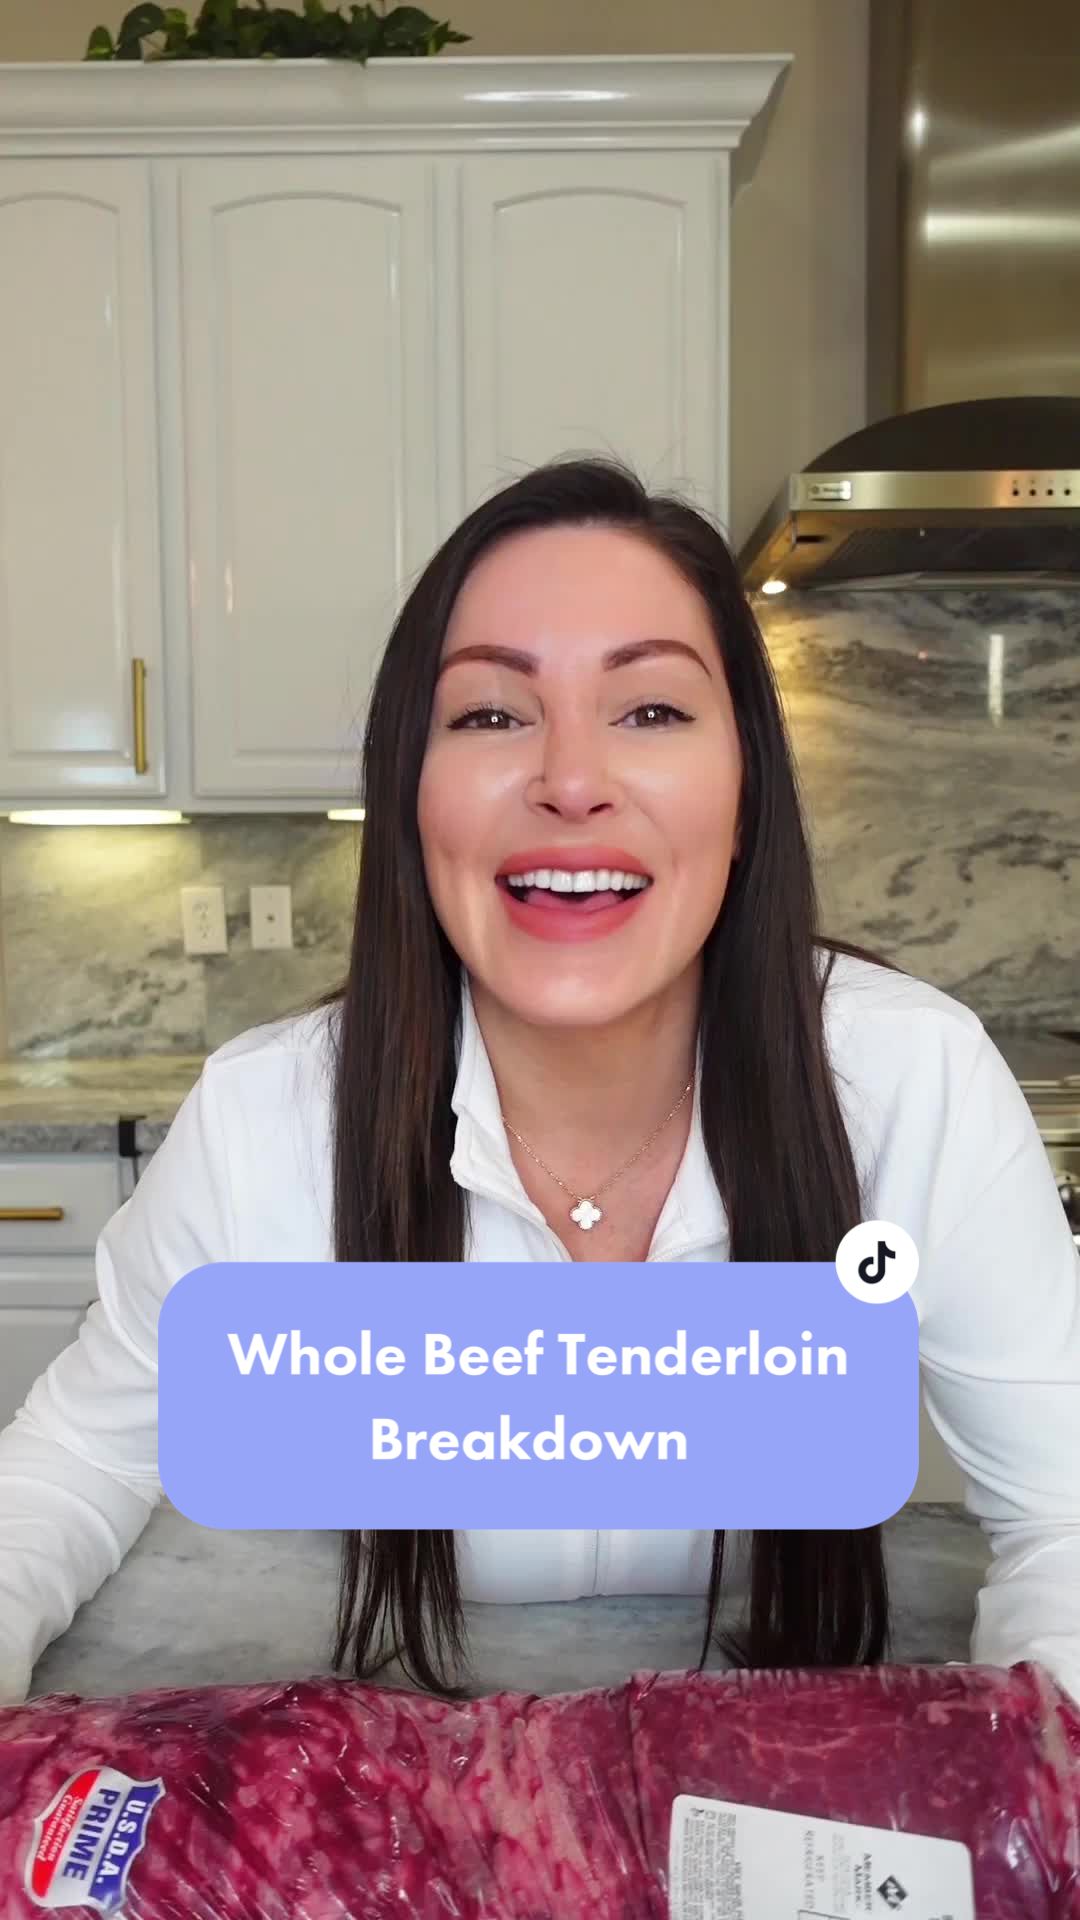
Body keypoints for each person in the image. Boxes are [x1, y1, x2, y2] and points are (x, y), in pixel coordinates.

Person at [0, 458, 1077, 1708]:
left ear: (745, 791)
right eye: (492, 716)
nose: (571, 780)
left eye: (652, 710)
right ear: (411, 794)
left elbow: (1065, 1510)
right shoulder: (263, 1123)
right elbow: (67, 1472)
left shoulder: (912, 1080)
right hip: (410, 1773)